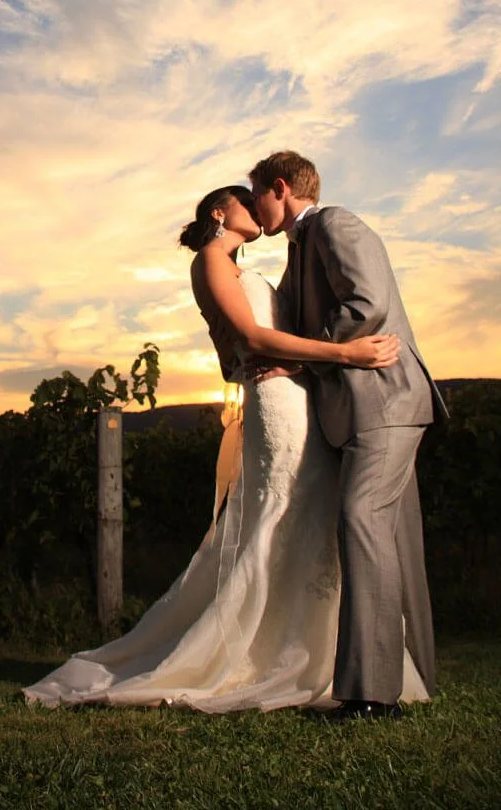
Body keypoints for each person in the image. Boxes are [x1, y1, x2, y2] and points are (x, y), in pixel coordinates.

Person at [22, 185, 429, 714]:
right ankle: (265, 654)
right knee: (280, 516)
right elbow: (250, 337)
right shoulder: (211, 260)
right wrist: (344, 352)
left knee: (311, 521)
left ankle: (322, 655)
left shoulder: (240, 266)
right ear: (220, 212)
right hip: (278, 402)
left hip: (298, 396)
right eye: (244, 199)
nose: (254, 207)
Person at [249, 151, 447, 719]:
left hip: (384, 397)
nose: (255, 203)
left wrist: (309, 360)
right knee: (393, 538)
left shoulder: (336, 224)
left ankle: (371, 696)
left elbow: (368, 303)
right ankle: (414, 676)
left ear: (280, 187)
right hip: (358, 410)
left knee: (360, 522)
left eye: (256, 191)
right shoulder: (298, 248)